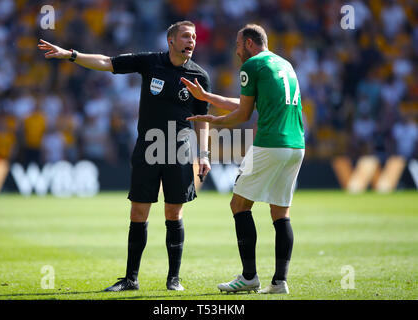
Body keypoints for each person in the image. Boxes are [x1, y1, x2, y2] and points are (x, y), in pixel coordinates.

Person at [38, 20, 211, 291]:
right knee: (138, 211)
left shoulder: (199, 76)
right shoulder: (150, 62)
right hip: (147, 149)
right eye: (186, 36)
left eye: (194, 37)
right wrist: (71, 55)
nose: (192, 41)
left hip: (178, 150)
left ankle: (173, 279)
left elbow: (202, 118)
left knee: (173, 213)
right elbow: (107, 62)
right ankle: (131, 279)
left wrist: (204, 153)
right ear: (171, 41)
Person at [182, 24, 305, 294]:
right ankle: (279, 281)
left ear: (249, 43)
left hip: (270, 144)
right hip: (296, 145)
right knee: (280, 212)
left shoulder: (252, 66)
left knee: (239, 205)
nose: (236, 51)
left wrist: (214, 121)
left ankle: (249, 277)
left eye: (238, 45)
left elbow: (242, 115)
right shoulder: (284, 64)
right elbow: (247, 103)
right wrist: (207, 97)